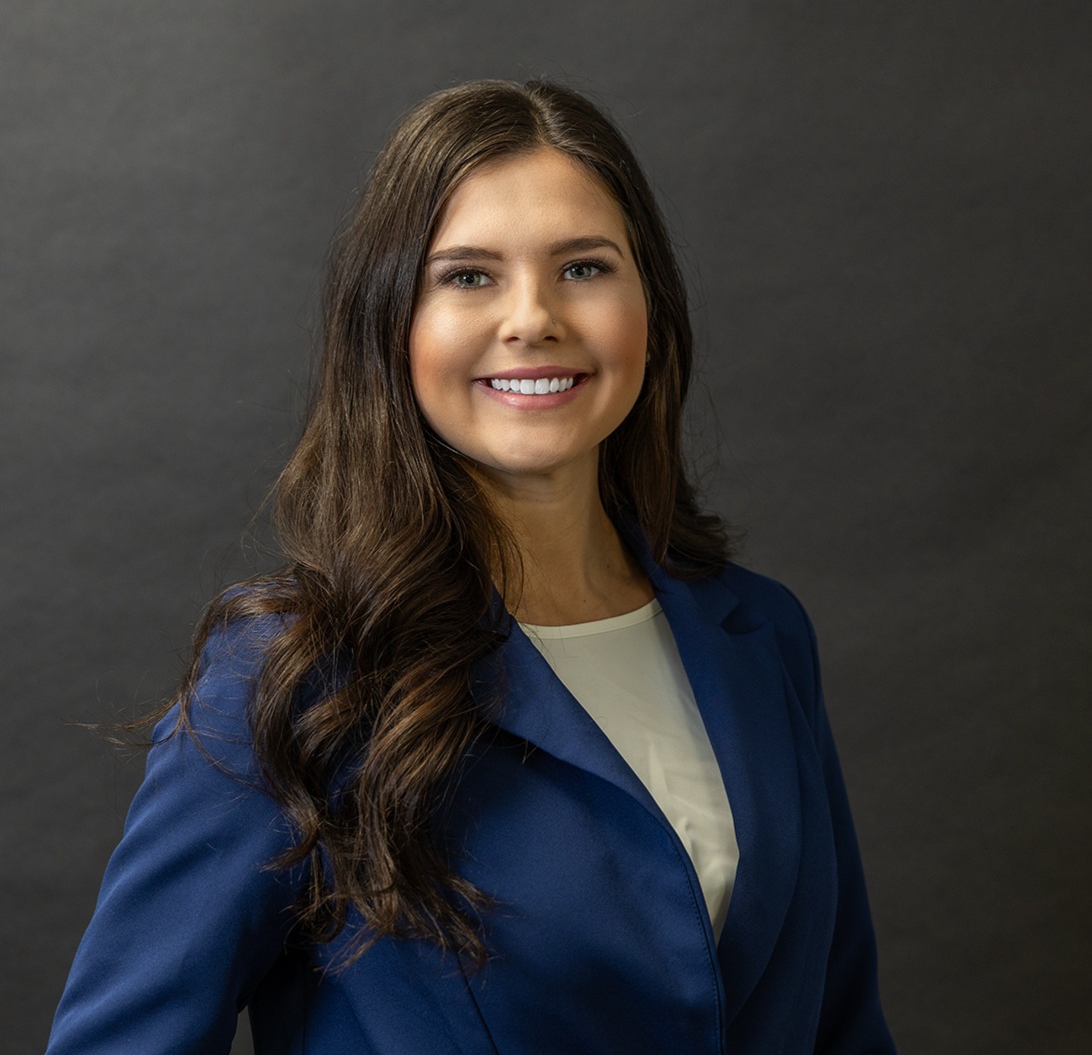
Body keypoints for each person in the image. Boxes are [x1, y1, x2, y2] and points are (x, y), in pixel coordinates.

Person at [47, 79, 895, 1054]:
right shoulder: (290, 675)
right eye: (468, 276)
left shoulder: (762, 635)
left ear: (648, 305)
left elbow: (843, 1025)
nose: (532, 318)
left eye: (583, 267)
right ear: (390, 323)